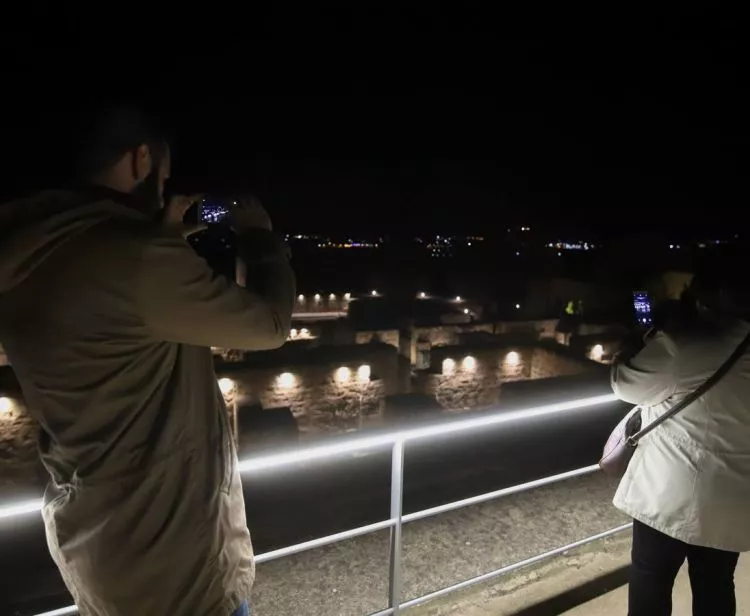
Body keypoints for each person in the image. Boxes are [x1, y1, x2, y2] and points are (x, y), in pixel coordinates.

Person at [0, 106, 295, 615]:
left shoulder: (25, 253)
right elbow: (269, 324)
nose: (165, 186)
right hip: (177, 568)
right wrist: (257, 236)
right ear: (140, 158)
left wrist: (158, 241)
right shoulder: (138, 261)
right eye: (164, 172)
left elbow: (106, 317)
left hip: (97, 550)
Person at [611, 271, 750, 616]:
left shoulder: (683, 346)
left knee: (651, 579)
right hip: (732, 498)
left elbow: (625, 383)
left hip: (668, 495)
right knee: (716, 585)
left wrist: (634, 343)